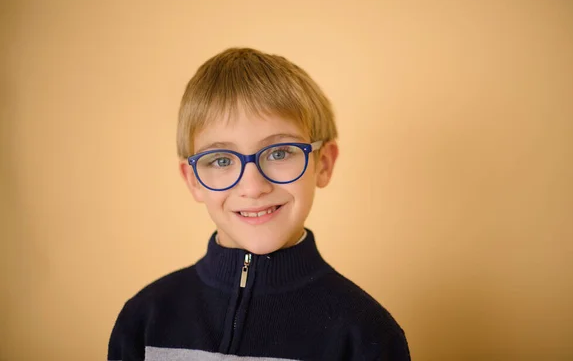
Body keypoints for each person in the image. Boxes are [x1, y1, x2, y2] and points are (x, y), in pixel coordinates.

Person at [108, 48, 411, 360]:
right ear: (193, 180)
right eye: (221, 159)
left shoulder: (366, 333)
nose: (253, 188)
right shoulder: (144, 319)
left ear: (323, 164)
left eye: (279, 153)